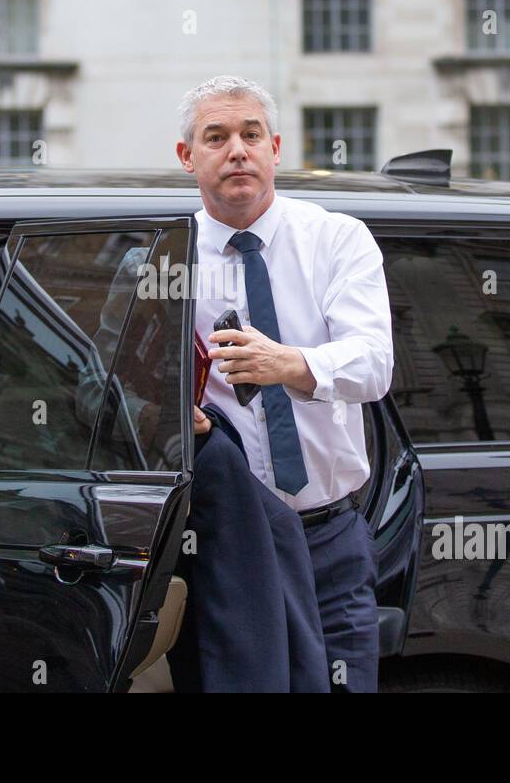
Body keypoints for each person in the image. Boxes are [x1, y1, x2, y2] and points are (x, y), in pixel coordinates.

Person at [173, 75, 394, 691]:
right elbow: (116, 388)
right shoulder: (164, 257)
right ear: (188, 157)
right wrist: (167, 417)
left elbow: (374, 363)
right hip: (225, 546)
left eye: (250, 135)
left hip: (330, 539)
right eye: (215, 137)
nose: (237, 150)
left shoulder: (337, 240)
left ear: (275, 147)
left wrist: (289, 364)